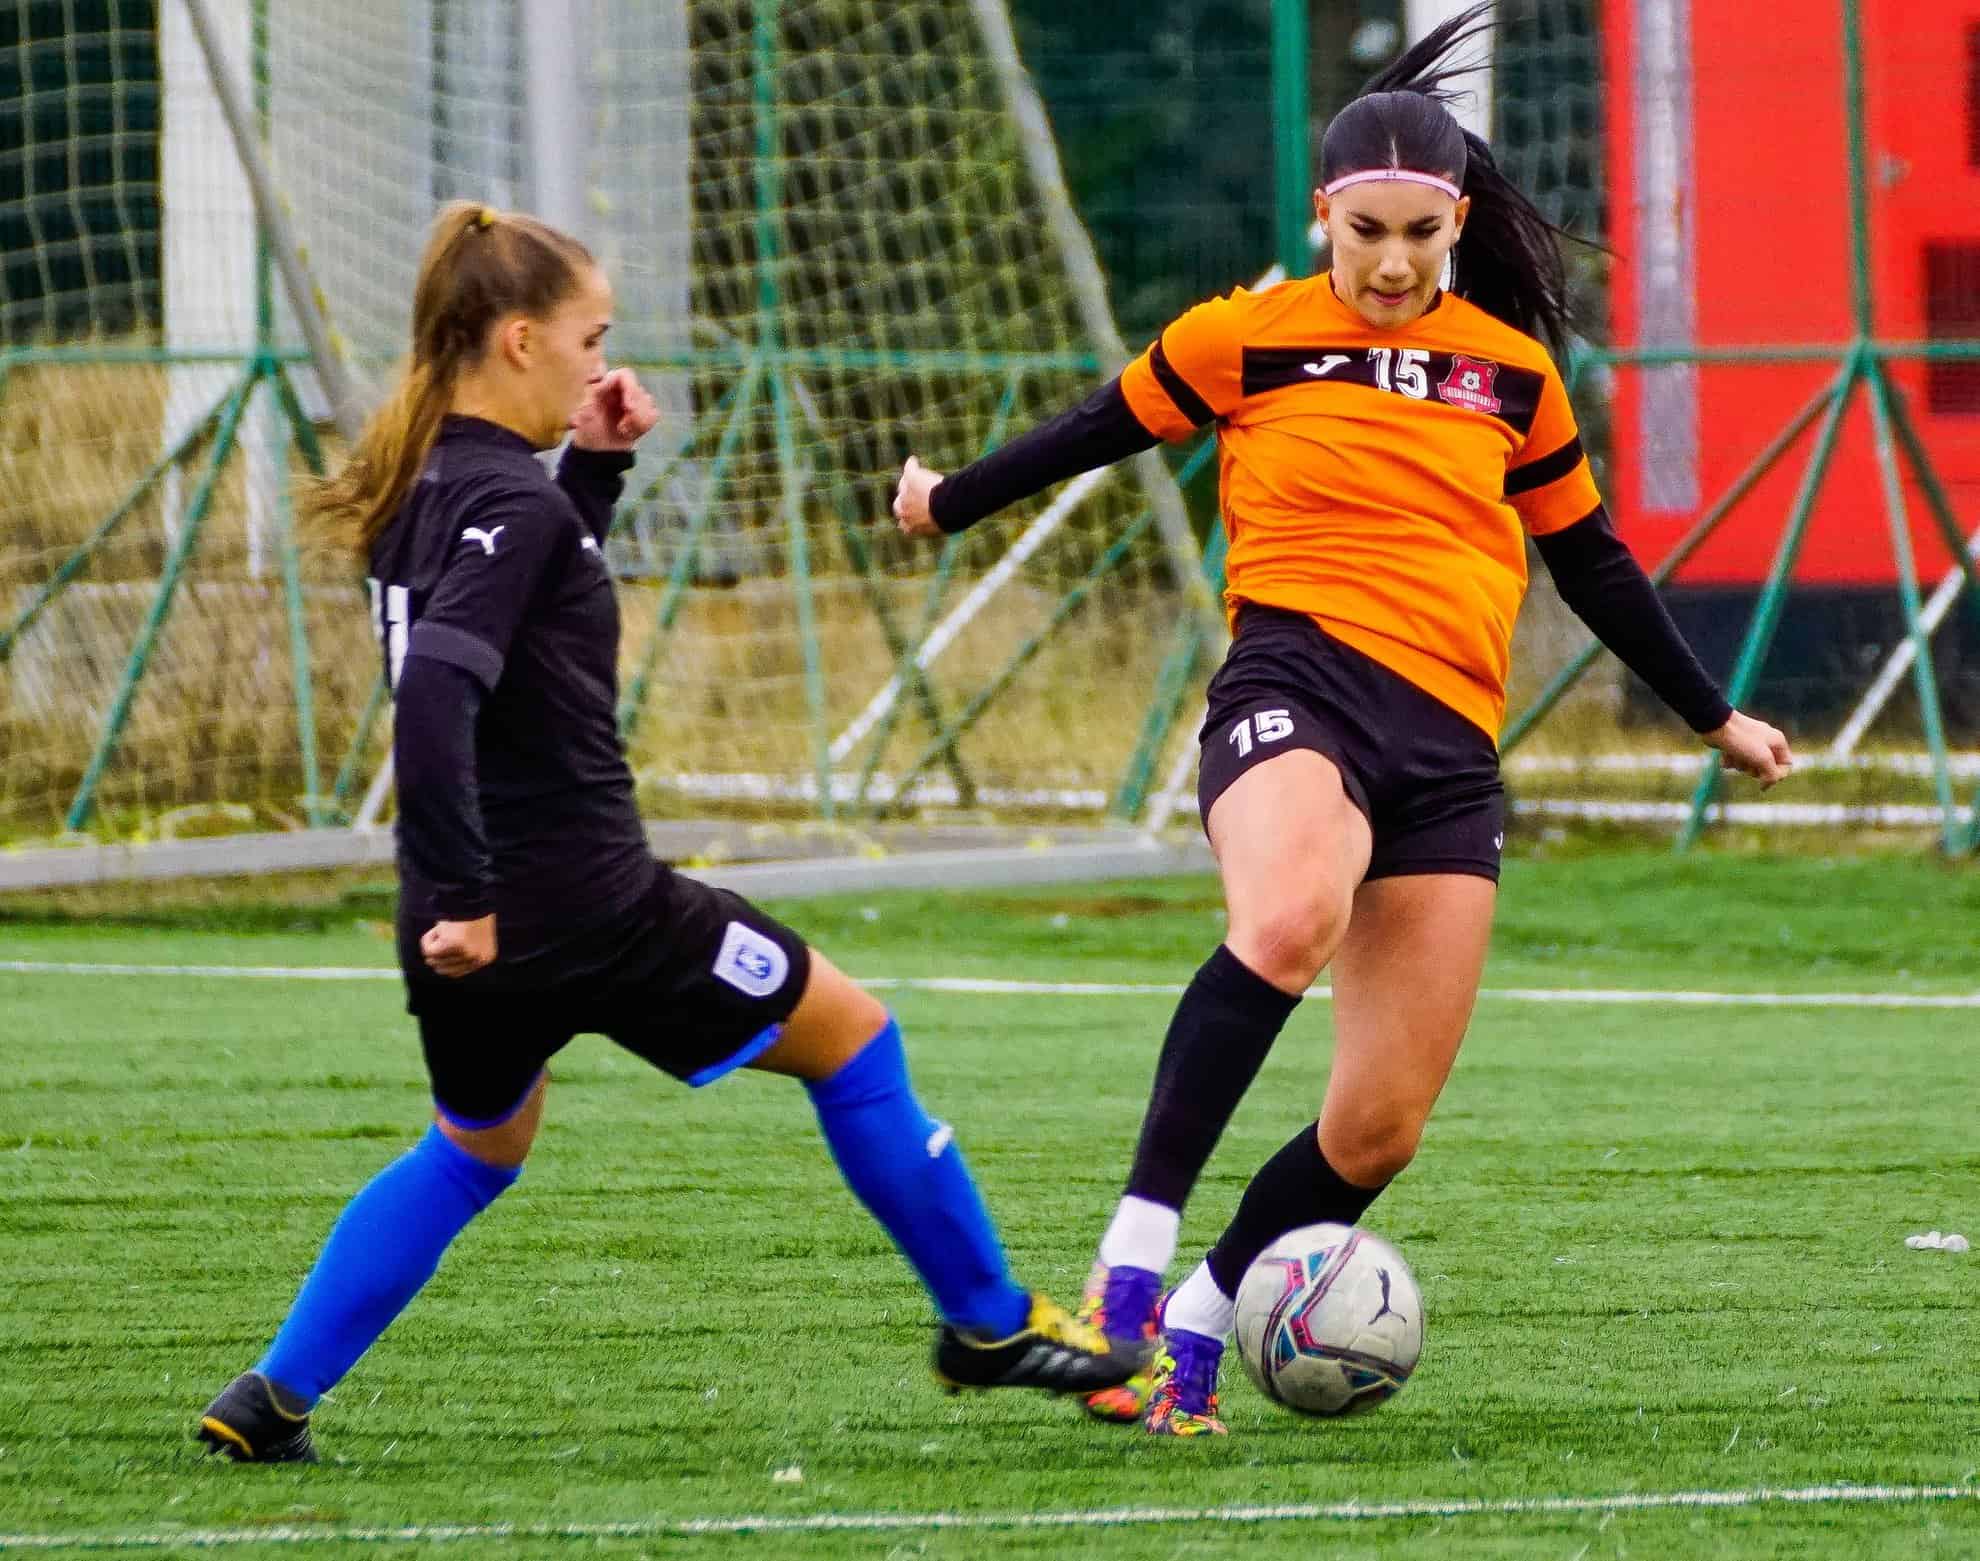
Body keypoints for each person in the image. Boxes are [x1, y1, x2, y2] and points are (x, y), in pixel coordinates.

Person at [892, 5, 1793, 1437]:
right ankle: (1127, 1266)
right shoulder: (1243, 341)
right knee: (1290, 917)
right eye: (1365, 230)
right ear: (1323, 216)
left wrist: (1714, 713)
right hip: (1296, 684)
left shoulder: (1512, 372)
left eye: (1419, 236)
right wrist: (947, 502)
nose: (1390, 262)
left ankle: (1194, 1324)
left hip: (1446, 749)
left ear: (1454, 226)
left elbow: (1592, 558)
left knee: (1380, 1127)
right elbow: (1092, 431)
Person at [194, 201, 1145, 1464]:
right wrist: (477, 889)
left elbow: (513, 610)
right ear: (520, 339)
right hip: (585, 905)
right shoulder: (506, 508)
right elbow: (437, 690)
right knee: (856, 1041)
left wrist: (593, 466)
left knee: (476, 1148)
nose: (604, 360)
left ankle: (269, 1397)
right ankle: (983, 1320)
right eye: (591, 337)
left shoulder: (427, 491)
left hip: (460, 919)